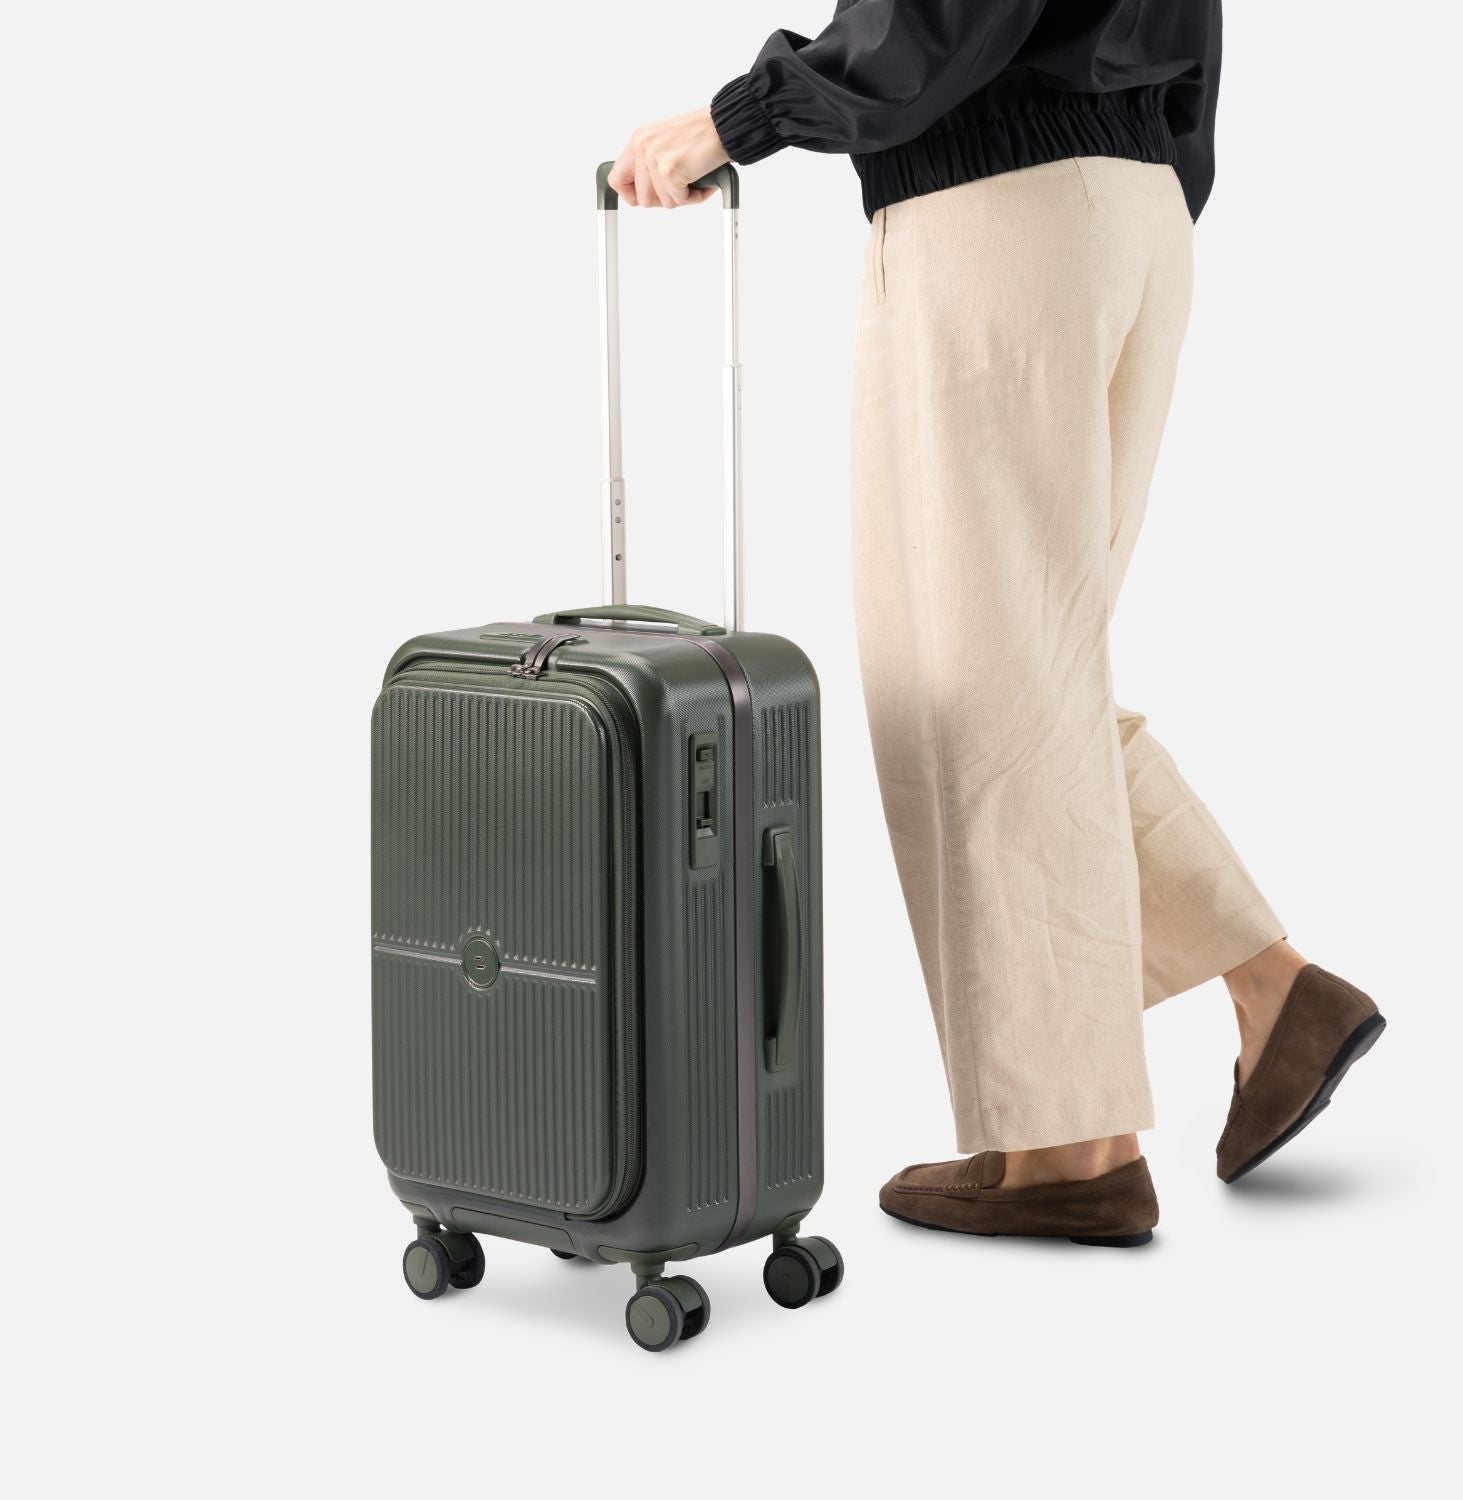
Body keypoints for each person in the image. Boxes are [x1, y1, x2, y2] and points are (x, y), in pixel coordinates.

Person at [609, 0, 1386, 1246]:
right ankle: (1271, 989)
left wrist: (736, 119)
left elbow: (942, 17)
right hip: (1130, 208)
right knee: (1034, 678)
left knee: (968, 692)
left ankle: (1071, 1146)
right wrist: (1124, 175)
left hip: (1000, 216)